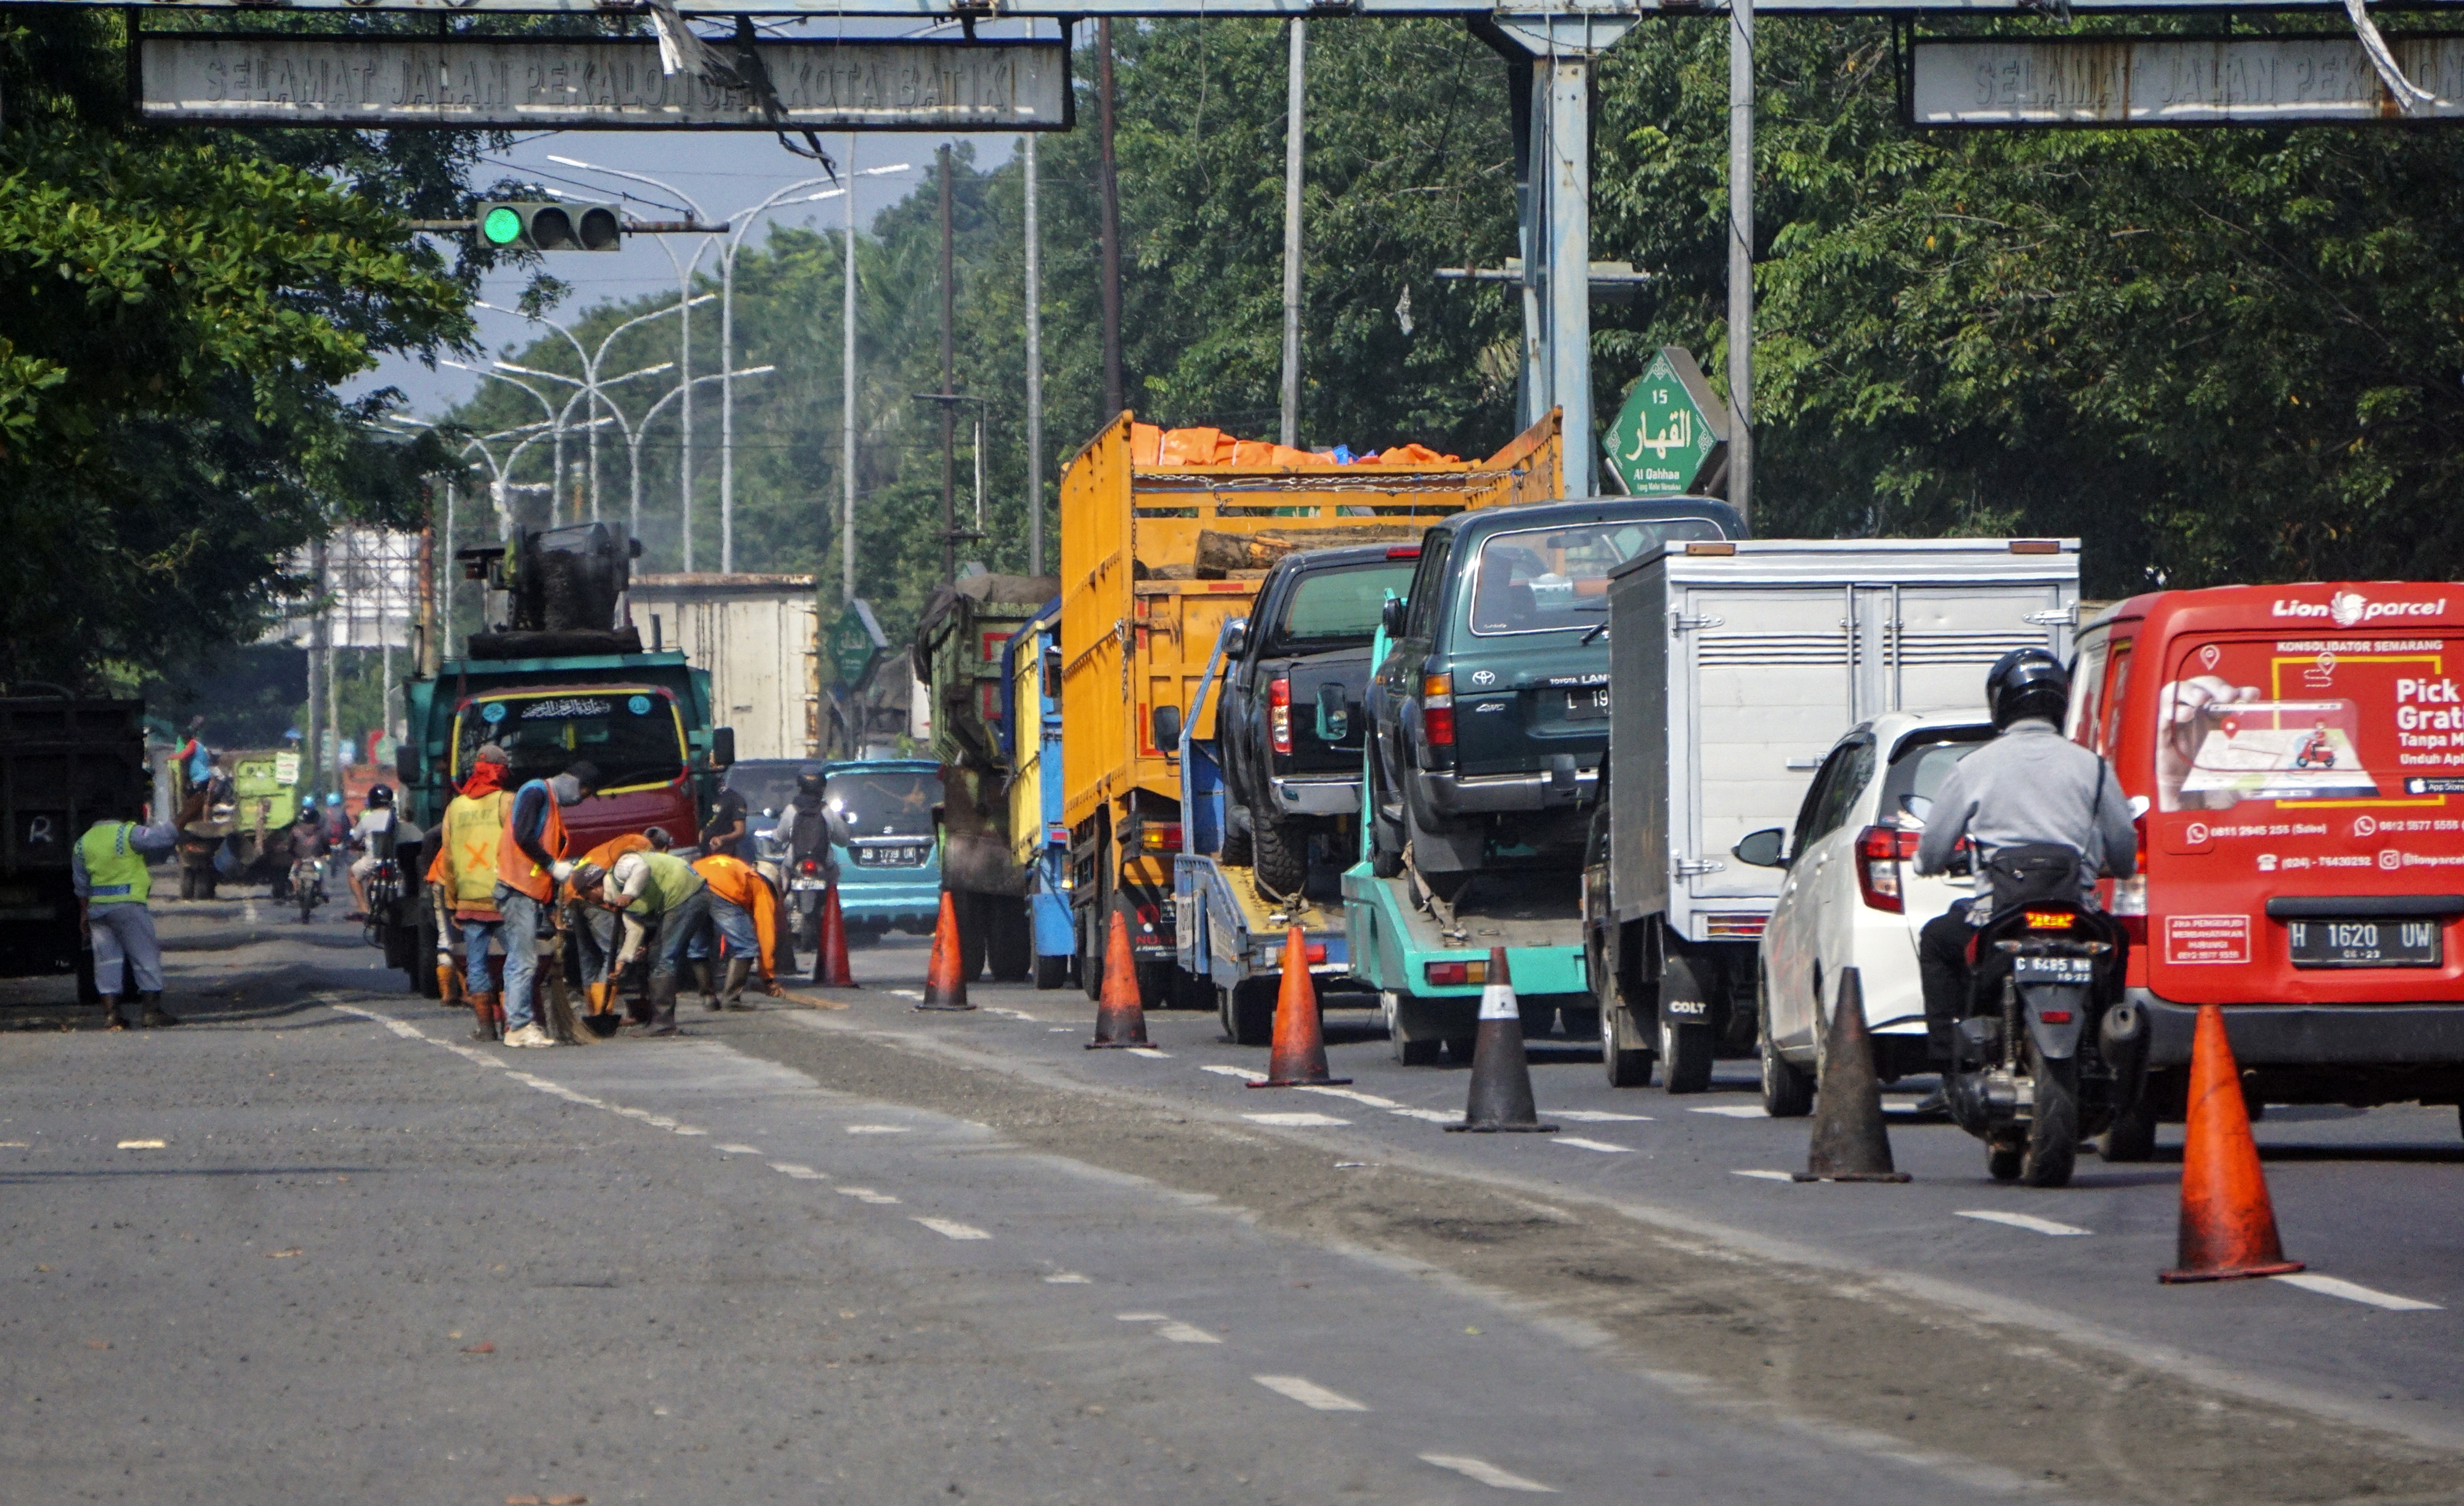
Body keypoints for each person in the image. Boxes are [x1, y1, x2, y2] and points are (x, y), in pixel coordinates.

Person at [1911, 649, 2138, 1072]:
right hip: (2079, 916)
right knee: (2117, 942)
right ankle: (2109, 1053)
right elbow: (2124, 844)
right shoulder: (2094, 767)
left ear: (2001, 702)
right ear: (2060, 701)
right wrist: (2116, 866)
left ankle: (1949, 1067)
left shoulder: (1972, 767)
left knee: (1937, 941)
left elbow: (1932, 851)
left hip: (1996, 918)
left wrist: (1929, 863)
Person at [74, 789, 205, 1030]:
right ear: (118, 814)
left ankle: (112, 1015)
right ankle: (151, 1011)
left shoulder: (83, 843)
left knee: (106, 961)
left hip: (98, 909)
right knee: (145, 956)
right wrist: (187, 813)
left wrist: (84, 914)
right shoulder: (127, 833)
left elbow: (81, 885)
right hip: (128, 906)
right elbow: (163, 836)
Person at [494, 760, 600, 1049]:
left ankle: (519, 1023)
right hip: (517, 888)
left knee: (521, 958)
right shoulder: (536, 792)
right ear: (574, 781)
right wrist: (552, 866)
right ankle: (517, 1027)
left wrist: (552, 903)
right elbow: (524, 836)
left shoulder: (548, 802)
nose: (582, 798)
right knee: (523, 960)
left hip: (528, 891)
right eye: (586, 791)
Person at [426, 745, 514, 1040]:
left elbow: (448, 858)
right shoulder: (507, 802)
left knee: (476, 963)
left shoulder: (455, 807)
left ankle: (486, 1028)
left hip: (469, 900)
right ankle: (515, 1024)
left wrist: (452, 901)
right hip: (505, 898)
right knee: (517, 959)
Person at [590, 826, 711, 1036]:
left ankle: (663, 1023)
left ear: (594, 887)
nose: (590, 902)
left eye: (586, 895)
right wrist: (621, 964)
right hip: (683, 896)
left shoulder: (620, 870)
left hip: (686, 894)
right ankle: (656, 1018)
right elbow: (634, 929)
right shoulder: (614, 896)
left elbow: (641, 869)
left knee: (663, 957)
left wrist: (630, 893)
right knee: (656, 955)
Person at [567, 829, 652, 1021]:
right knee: (611, 952)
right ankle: (604, 1011)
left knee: (588, 955)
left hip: (572, 897)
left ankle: (594, 1011)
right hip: (586, 893)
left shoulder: (610, 851)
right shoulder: (638, 847)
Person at [691, 848, 787, 1009]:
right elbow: (766, 935)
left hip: (691, 887)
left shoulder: (736, 866)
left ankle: (708, 999)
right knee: (746, 947)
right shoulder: (761, 887)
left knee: (698, 948)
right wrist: (768, 977)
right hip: (720, 891)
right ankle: (731, 1000)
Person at [344, 783, 423, 920]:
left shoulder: (367, 819)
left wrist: (354, 846)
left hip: (373, 862)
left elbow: (355, 840)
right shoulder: (398, 819)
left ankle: (363, 907)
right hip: (397, 861)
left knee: (353, 874)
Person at [701, 777, 749, 858]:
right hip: (700, 853)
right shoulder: (699, 797)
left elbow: (740, 831)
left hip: (723, 855)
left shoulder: (735, 799)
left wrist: (721, 839)